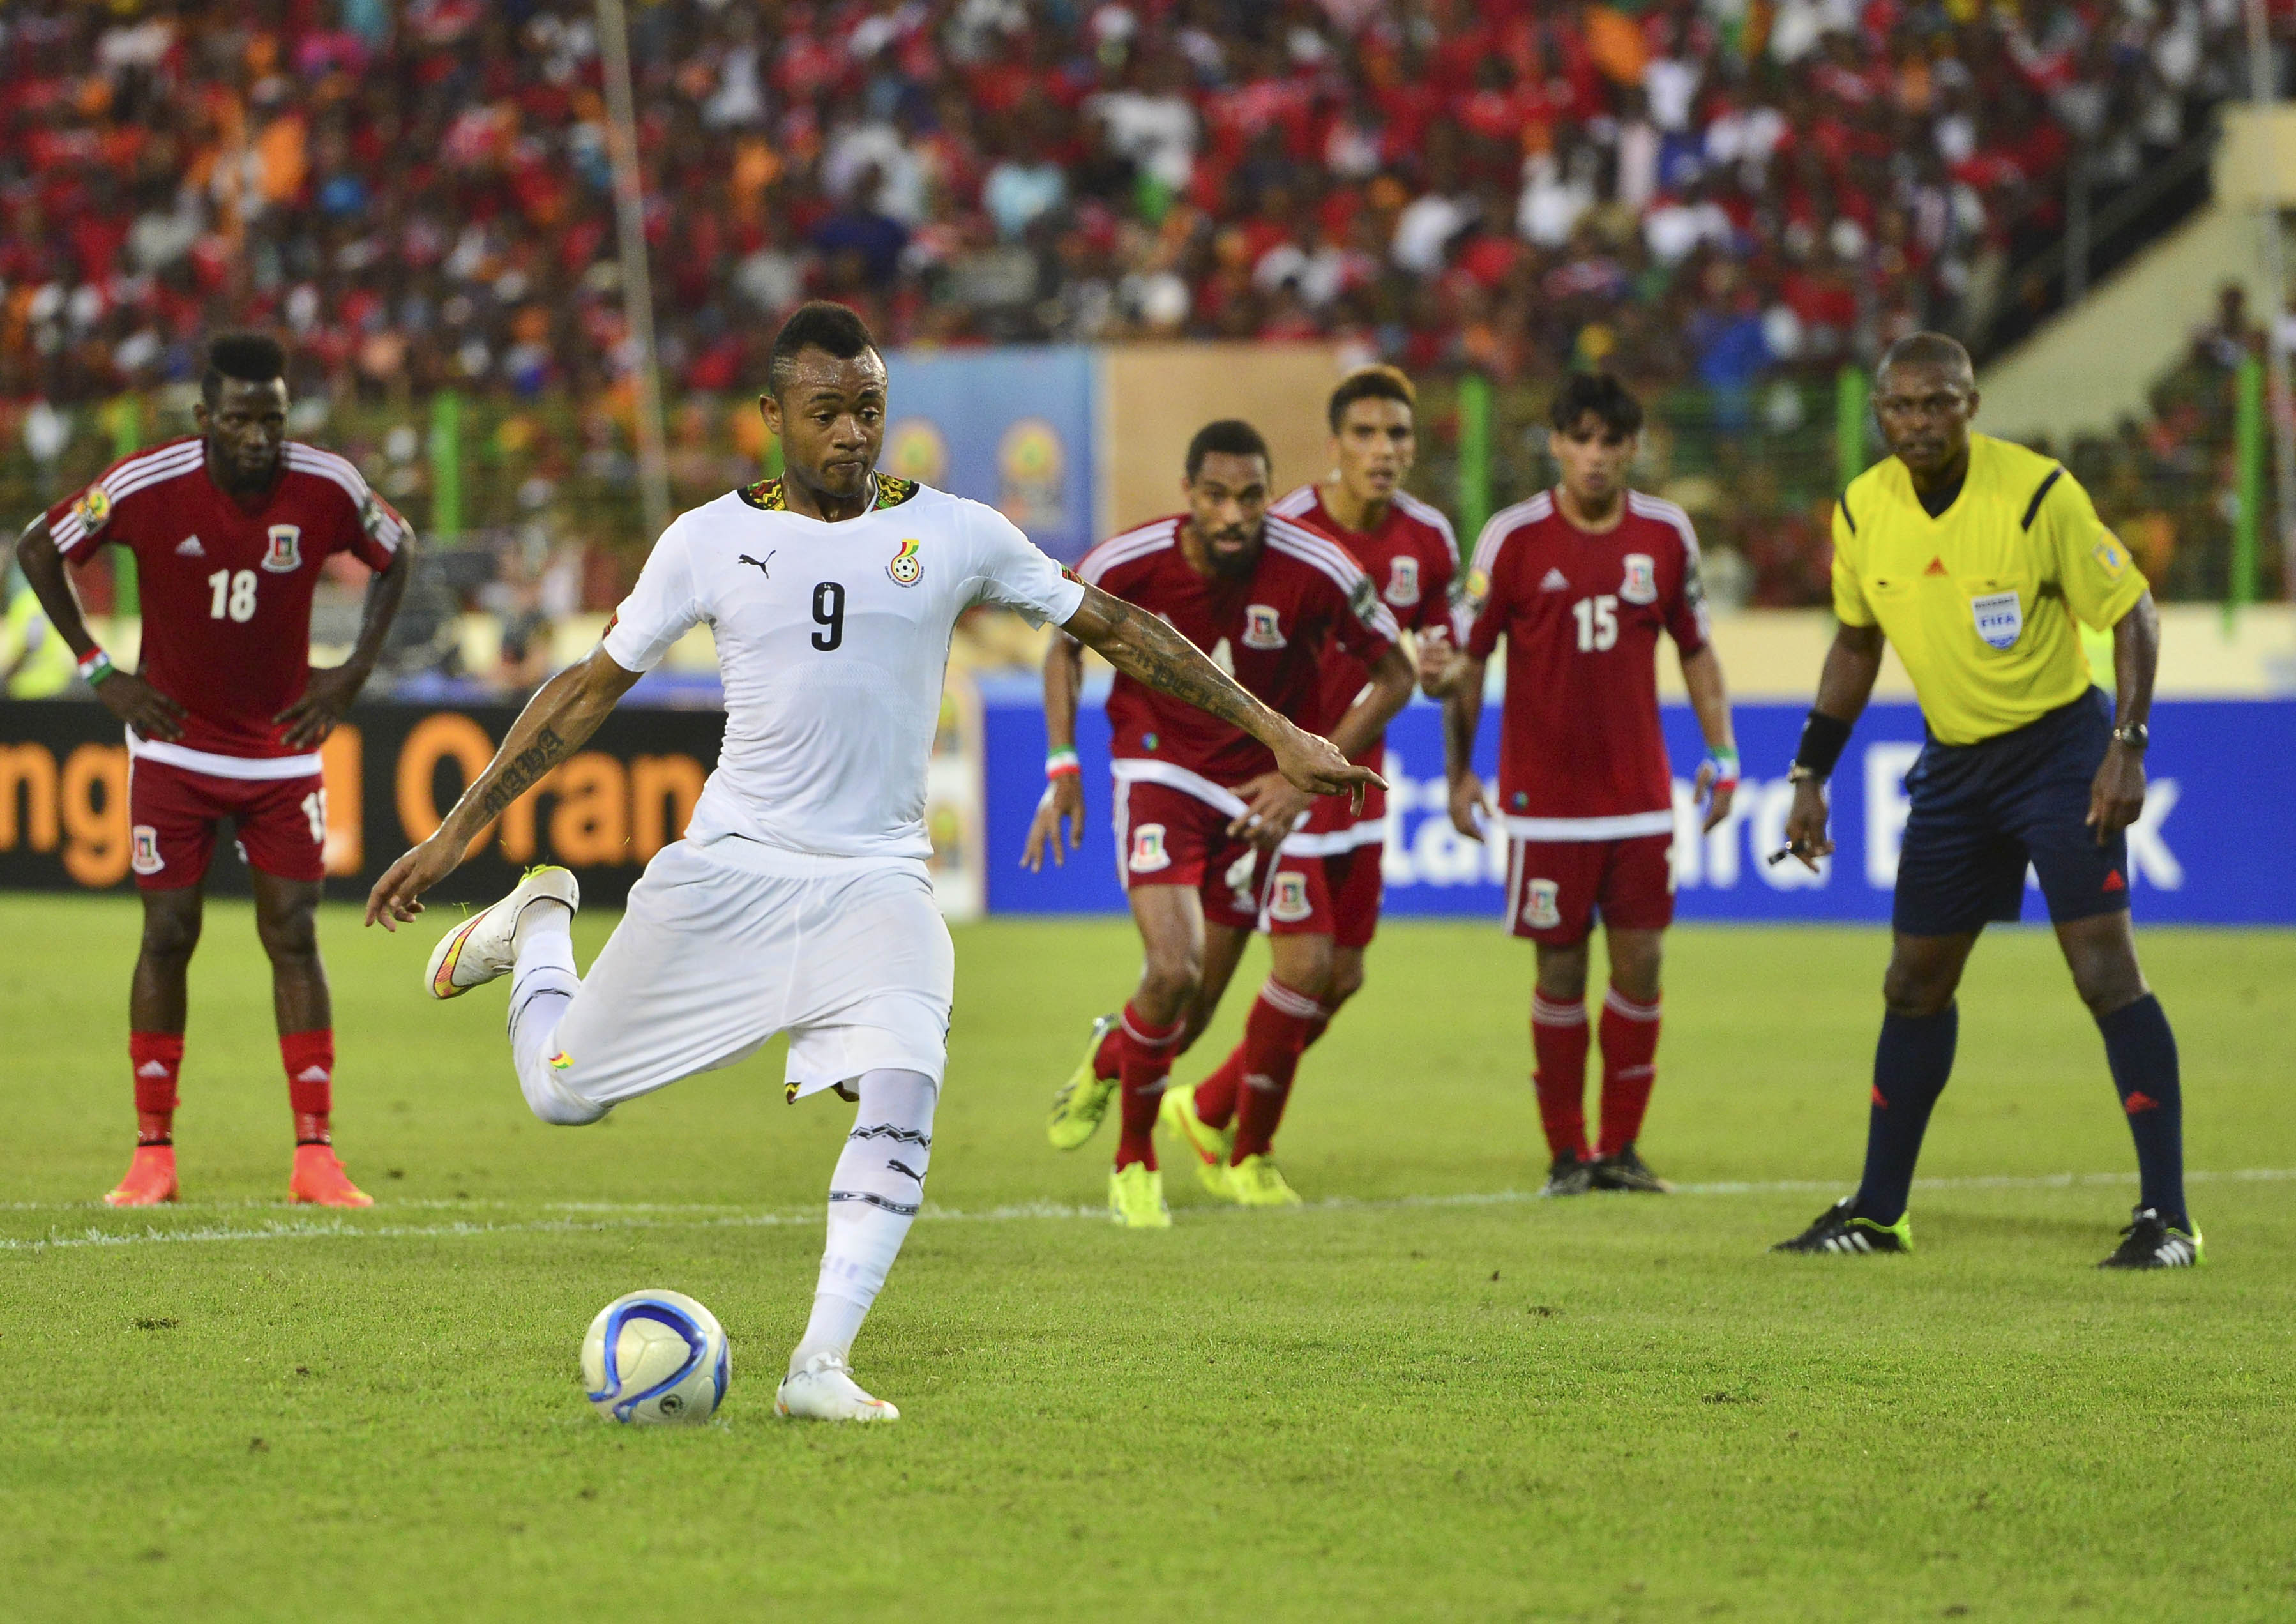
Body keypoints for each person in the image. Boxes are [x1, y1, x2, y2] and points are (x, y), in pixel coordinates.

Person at [365, 305, 1377, 1422]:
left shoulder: (954, 530)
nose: (854, 434)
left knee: (904, 1083)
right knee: (562, 1095)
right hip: (734, 867)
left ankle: (819, 1362)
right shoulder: (703, 540)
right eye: (828, 412)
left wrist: (1276, 728)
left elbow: (1123, 630)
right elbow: (585, 691)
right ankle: (539, 925)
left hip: (880, 878)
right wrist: (458, 833)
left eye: (870, 411)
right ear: (772, 416)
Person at [1771, 333, 2198, 1268]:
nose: (1918, 422)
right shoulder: (1860, 510)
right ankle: (1881, 1210)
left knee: (2104, 972)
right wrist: (1810, 772)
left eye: (1938, 403)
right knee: (1912, 982)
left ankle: (2167, 1217)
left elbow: (2135, 611)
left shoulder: (2037, 492)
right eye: (1901, 407)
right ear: (1878, 412)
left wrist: (2125, 745)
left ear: (1971, 405)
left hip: (2059, 749)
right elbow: (1855, 645)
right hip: (1956, 766)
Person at [15, 332, 412, 1208]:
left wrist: (351, 672)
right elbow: (39, 546)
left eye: (273, 416)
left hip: (280, 747)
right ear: (205, 419)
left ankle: (316, 1154)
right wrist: (98, 669)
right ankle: (152, 1152)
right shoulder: (143, 483)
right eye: (240, 418)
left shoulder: (327, 483)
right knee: (167, 933)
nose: (260, 436)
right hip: (171, 746)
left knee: (296, 933)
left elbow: (401, 548)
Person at [1025, 419, 1414, 1224]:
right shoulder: (1128, 560)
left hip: (1254, 792)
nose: (1233, 514)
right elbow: (1063, 644)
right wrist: (1063, 764)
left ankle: (1109, 1052)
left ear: (1268, 495)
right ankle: (1134, 1162)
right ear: (1187, 493)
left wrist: (1303, 777)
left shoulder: (1317, 568)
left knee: (1192, 1009)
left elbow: (1395, 671)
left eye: (1249, 497)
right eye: (1215, 495)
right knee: (1172, 968)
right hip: (1159, 764)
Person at [1421, 372, 1737, 1198]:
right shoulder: (1510, 539)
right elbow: (1468, 658)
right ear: (1557, 443)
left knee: (1641, 965)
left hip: (1638, 798)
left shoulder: (1667, 534)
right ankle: (1567, 1154)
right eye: (1581, 438)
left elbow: (1697, 647)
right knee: (1560, 975)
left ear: (1634, 447)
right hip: (1543, 804)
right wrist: (1460, 775)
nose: (1596, 456)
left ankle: (1621, 1148)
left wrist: (1723, 751)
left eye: (1612, 440)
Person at [1158, 367, 1459, 1198]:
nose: (1384, 450)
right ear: (1334, 445)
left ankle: (1210, 1104)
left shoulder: (1428, 538)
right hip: (1276, 786)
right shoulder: (1277, 528)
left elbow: (1442, 661)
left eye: (1398, 434)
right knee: (1302, 966)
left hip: (1358, 785)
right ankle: (1247, 1154)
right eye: (1365, 433)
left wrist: (1442, 665)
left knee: (1344, 975)